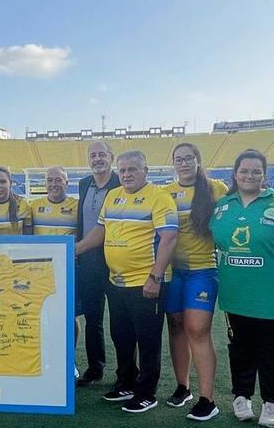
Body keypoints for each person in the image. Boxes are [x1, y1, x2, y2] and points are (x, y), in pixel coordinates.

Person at [75, 150, 178, 414]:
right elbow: (100, 230)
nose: (127, 174)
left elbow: (169, 239)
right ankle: (126, 382)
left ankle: (146, 393)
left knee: (147, 339)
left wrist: (155, 276)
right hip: (115, 281)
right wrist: (75, 248)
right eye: (123, 170)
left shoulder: (160, 197)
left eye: (133, 169)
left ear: (146, 170)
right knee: (121, 336)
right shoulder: (113, 195)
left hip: (145, 282)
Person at [209, 149, 274, 428]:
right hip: (235, 293)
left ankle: (273, 402)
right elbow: (215, 243)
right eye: (244, 171)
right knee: (240, 348)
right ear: (235, 175)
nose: (249, 175)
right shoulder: (223, 205)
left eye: (256, 171)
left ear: (265, 175)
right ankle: (242, 396)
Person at [162, 143, 227, 421]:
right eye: (179, 159)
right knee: (176, 327)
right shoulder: (164, 193)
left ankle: (207, 398)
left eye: (189, 158)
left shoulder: (216, 188)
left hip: (203, 270)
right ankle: (183, 387)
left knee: (197, 330)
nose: (184, 163)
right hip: (172, 272)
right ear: (173, 164)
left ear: (199, 161)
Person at [74, 141, 121, 387]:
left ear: (111, 157)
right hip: (88, 262)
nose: (97, 158)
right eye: (93, 155)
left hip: (115, 259)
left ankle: (126, 373)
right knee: (93, 318)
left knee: (121, 320)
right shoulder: (83, 184)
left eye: (102, 154)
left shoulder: (121, 182)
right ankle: (95, 368)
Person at [30, 165, 79, 377]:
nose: (54, 184)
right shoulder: (34, 206)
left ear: (67, 182)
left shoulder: (77, 207)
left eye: (58, 180)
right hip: (40, 271)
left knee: (71, 315)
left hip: (69, 271)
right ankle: (46, 357)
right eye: (50, 180)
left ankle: (70, 359)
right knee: (43, 315)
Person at [0, 165, 33, 235]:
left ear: (10, 183)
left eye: (3, 182)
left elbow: (28, 236)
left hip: (17, 245)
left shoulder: (23, 204)